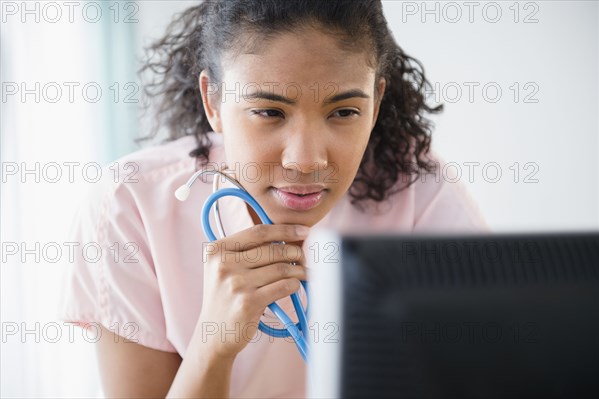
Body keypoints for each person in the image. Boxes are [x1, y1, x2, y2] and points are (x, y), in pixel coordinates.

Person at [59, 0, 489, 397]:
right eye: (269, 112)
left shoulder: (416, 185)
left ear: (375, 103)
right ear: (213, 100)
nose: (306, 161)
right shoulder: (127, 206)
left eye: (343, 112)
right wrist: (214, 342)